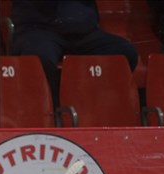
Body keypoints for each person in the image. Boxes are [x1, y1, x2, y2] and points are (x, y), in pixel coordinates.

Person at [10, 0, 139, 106]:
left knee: (124, 52)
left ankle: (92, 108)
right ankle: (52, 112)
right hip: (39, 29)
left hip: (84, 32)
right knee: (40, 58)